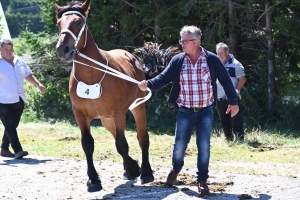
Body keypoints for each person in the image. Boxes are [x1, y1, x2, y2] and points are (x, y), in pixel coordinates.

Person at [138, 25, 239, 196]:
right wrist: (147, 84)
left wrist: (234, 102)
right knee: (179, 147)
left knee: (204, 146)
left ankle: (202, 181)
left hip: (205, 111)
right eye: (181, 41)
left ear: (196, 41)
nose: (182, 44)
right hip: (184, 111)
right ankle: (176, 169)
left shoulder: (211, 59)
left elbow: (226, 81)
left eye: (185, 41)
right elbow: (164, 78)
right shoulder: (178, 60)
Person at [0, 39, 46, 159]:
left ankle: (4, 149)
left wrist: (39, 84)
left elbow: (28, 75)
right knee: (10, 125)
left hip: (19, 99)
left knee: (12, 125)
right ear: (0, 49)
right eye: (6, 49)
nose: (9, 52)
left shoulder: (19, 61)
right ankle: (18, 150)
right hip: (3, 101)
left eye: (10, 49)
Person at [216, 42, 246, 142]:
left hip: (232, 98)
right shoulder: (217, 64)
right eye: (217, 53)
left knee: (236, 120)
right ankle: (228, 139)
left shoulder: (236, 64)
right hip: (219, 98)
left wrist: (236, 91)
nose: (219, 55)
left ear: (227, 52)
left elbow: (242, 79)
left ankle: (240, 140)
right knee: (224, 121)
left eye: (221, 53)